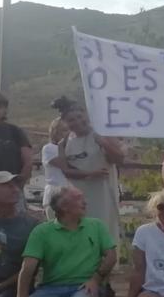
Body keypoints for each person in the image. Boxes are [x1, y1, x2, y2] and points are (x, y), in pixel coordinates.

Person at [53, 102, 123, 247]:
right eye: (71, 120)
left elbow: (119, 158)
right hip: (79, 196)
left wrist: (104, 143)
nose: (78, 122)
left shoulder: (101, 134)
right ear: (65, 123)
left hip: (103, 193)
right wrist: (90, 173)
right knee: (81, 228)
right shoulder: (64, 143)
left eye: (80, 117)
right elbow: (66, 171)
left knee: (104, 227)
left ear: (86, 115)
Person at [0, 91, 32, 211]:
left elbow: (28, 161)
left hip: (11, 191)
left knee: (14, 226)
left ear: (5, 110)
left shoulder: (15, 132)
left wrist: (18, 186)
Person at [40, 115, 71, 219]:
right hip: (55, 191)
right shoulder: (49, 148)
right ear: (55, 132)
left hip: (71, 192)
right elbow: (63, 164)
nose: (68, 133)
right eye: (64, 130)